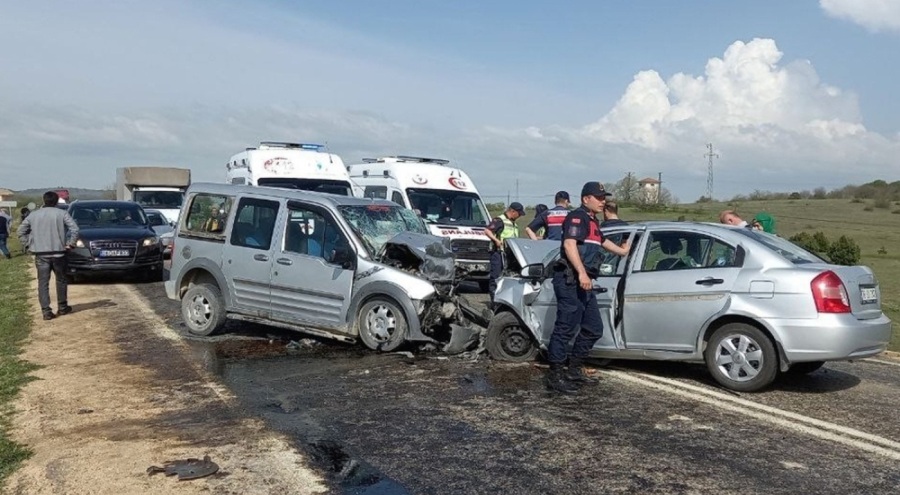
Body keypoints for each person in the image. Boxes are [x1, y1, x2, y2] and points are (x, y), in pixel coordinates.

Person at [546, 182, 631, 394]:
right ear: (586, 199)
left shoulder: (593, 221)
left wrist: (622, 251)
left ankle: (574, 370)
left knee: (593, 328)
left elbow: (602, 242)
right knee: (565, 327)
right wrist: (582, 272)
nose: (604, 201)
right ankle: (555, 376)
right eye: (599, 198)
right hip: (570, 279)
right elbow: (569, 245)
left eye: (604, 198)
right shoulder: (577, 217)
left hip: (584, 281)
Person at [17, 191, 79, 320]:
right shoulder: (62, 213)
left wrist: (28, 244)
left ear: (44, 200)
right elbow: (75, 229)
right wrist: (70, 244)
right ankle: (62, 307)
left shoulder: (33, 215)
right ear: (56, 201)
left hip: (41, 254)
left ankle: (46, 311)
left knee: (43, 283)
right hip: (59, 253)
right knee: (61, 280)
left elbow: (20, 231)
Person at [483, 202, 526, 301]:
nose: (519, 216)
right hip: (499, 253)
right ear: (513, 211)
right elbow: (487, 231)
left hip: (510, 255)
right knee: (496, 277)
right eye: (519, 213)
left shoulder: (513, 223)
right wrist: (496, 240)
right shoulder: (499, 220)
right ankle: (494, 301)